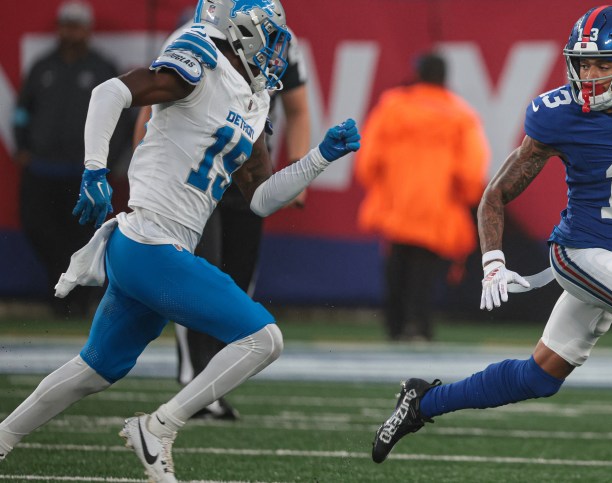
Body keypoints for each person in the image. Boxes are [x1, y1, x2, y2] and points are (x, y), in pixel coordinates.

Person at [371, 6, 612, 483]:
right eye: (583, 63)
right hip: (579, 253)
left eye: (603, 64)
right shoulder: (560, 115)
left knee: (539, 377)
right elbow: (495, 194)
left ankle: (422, 401)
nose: (589, 75)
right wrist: (492, 260)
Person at [0, 1, 359, 481]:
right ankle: (160, 427)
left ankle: (2, 438)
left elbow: (260, 198)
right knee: (263, 339)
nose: (277, 50)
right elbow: (110, 93)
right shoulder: (200, 58)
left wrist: (319, 158)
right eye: (271, 36)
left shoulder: (252, 98)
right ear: (244, 29)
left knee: (95, 369)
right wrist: (94, 169)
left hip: (160, 251)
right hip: (149, 238)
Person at [132, 18, 311, 421]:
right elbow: (152, 106)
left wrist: (300, 169)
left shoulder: (283, 42)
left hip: (248, 172)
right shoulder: (191, 36)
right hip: (198, 175)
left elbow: (297, 109)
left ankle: (210, 382)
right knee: (199, 274)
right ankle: (195, 380)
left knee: (238, 279)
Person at [355, 52, 489, 342]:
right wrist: (464, 196)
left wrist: (382, 187)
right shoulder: (461, 114)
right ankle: (418, 326)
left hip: (395, 203)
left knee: (396, 265)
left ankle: (394, 327)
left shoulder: (393, 105)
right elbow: (472, 169)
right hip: (436, 207)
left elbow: (368, 160)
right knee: (424, 272)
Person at [13, 0, 125, 317]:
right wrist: (22, 144)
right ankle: (60, 286)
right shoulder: (42, 66)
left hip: (82, 170)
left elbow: (121, 119)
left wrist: (109, 159)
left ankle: (78, 301)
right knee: (39, 227)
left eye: (76, 27)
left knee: (82, 234)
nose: (70, 33)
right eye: (66, 26)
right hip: (42, 168)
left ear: (87, 31)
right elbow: (22, 111)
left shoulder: (102, 68)